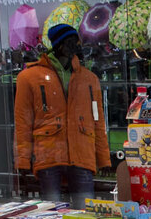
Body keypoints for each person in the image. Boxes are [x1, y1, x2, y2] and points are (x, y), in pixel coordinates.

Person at [14, 23, 111, 209]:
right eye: (69, 41)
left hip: (82, 152)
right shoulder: (29, 78)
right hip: (49, 153)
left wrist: (104, 158)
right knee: (52, 213)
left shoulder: (89, 80)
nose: (75, 46)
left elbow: (97, 120)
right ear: (58, 45)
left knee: (85, 213)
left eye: (76, 41)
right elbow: (23, 122)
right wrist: (23, 160)